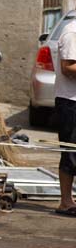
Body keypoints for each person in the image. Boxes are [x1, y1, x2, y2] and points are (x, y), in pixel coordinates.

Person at [55, 21, 76, 215]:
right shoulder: (72, 32)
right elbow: (68, 67)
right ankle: (65, 202)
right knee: (70, 152)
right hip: (70, 102)